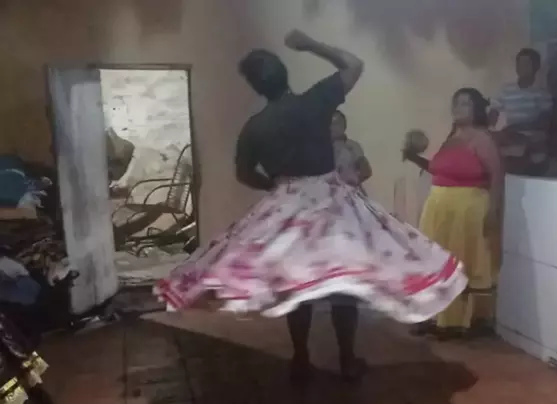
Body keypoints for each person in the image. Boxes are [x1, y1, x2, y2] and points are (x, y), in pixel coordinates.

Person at [154, 30, 467, 384]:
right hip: (331, 203)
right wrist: (311, 45)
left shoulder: (255, 128)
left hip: (287, 206)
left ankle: (301, 358)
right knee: (344, 284)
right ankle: (346, 360)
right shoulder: (314, 102)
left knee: (297, 286)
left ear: (256, 87)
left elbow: (244, 173)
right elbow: (354, 64)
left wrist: (274, 186)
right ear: (284, 74)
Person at [403, 88, 504, 340]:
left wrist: (493, 210)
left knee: (459, 264)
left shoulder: (482, 139)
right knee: (435, 264)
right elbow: (440, 169)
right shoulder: (451, 137)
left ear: (476, 109)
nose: (458, 108)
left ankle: (458, 322)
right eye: (456, 103)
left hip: (466, 210)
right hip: (439, 209)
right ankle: (435, 317)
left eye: (465, 104)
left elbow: (497, 175)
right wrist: (414, 158)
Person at [489, 48, 552, 175]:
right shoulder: (506, 89)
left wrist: (516, 127)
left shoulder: (542, 92)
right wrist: (489, 127)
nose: (522, 67)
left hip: (532, 139)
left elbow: (543, 121)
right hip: (511, 138)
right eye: (519, 63)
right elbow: (494, 110)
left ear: (536, 67)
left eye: (526, 63)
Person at [331, 110, 372, 192]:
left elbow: (366, 171)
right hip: (326, 192)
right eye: (331, 123)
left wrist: (352, 183)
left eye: (337, 123)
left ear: (344, 126)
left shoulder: (353, 146)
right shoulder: (320, 148)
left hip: (348, 192)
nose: (333, 127)